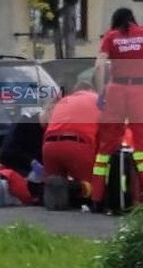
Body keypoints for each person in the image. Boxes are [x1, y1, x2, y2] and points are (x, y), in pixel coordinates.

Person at [90, 7, 143, 210]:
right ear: (133, 20)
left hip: (116, 89)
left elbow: (98, 67)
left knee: (106, 147)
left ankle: (97, 198)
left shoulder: (111, 37)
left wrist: (101, 93)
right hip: (140, 89)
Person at [42, 80, 102, 210]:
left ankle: (59, 194)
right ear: (92, 90)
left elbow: (45, 122)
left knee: (54, 186)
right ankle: (72, 188)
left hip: (49, 146)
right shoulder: (97, 99)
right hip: (77, 146)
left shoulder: (65, 100)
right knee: (90, 188)